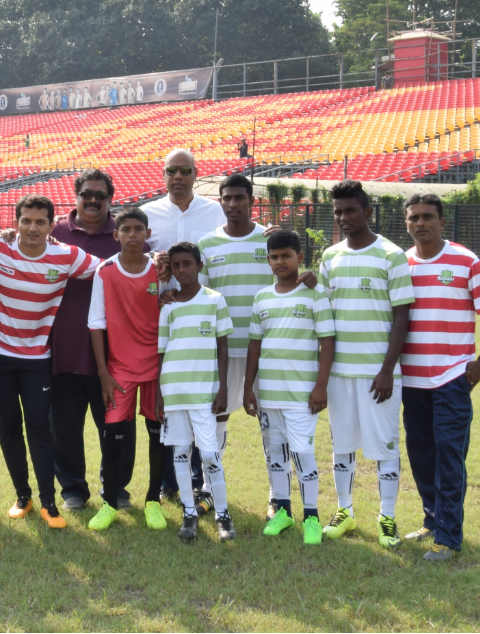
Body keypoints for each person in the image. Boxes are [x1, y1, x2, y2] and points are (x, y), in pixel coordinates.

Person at [0, 195, 99, 529]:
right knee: (8, 428)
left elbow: (110, 268)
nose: (32, 228)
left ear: (52, 225)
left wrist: (156, 261)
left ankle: (48, 502)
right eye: (26, 220)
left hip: (37, 358)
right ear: (16, 223)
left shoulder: (66, 256)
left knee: (40, 428)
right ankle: (22, 496)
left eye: (40, 222)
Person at [401, 193, 480, 561]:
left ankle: (449, 536)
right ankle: (431, 519)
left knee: (449, 455)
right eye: (414, 218)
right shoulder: (402, 264)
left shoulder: (464, 260)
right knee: (421, 453)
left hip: (451, 378)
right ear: (406, 224)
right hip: (411, 380)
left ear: (442, 222)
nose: (421, 223)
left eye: (428, 217)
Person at [317, 180, 413, 549]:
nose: (343, 218)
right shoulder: (331, 256)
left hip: (378, 375)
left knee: (384, 446)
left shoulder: (391, 255)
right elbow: (324, 315)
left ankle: (387, 516)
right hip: (341, 373)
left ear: (368, 212)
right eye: (338, 211)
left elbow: (401, 316)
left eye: (350, 210)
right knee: (342, 446)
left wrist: (388, 368)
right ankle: (345, 510)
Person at [141, 148, 226, 503]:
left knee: (200, 398)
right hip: (160, 317)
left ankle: (200, 479)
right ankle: (167, 481)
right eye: (172, 170)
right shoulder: (149, 212)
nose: (178, 176)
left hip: (201, 316)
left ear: (196, 174)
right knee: (166, 399)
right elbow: (135, 255)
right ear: (164, 175)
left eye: (185, 171)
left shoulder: (214, 211)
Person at [244, 229, 335, 545]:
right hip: (269, 393)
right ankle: (282, 511)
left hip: (302, 394)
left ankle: (312, 516)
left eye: (286, 255)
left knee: (302, 452)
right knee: (275, 455)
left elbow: (327, 342)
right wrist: (247, 388)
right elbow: (254, 346)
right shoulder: (262, 298)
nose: (280, 262)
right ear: (268, 261)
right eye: (274, 257)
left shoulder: (315, 294)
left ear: (299, 257)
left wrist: (320, 386)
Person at [196, 174, 275, 514]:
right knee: (217, 419)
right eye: (226, 198)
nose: (232, 204)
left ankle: (278, 498)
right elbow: (200, 296)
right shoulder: (207, 244)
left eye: (238, 198)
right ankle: (209, 489)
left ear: (251, 201)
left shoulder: (269, 240)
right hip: (223, 350)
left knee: (272, 423)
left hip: (267, 348)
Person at [49, 169, 127, 510]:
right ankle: (73, 490)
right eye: (87, 194)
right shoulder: (54, 233)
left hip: (113, 353)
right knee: (64, 428)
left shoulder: (123, 234)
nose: (93, 200)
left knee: (115, 426)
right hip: (62, 348)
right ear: (76, 196)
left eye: (100, 195)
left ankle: (116, 489)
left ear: (110, 199)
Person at [86, 207, 165, 531]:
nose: (132, 235)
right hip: (119, 369)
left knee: (158, 435)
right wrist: (103, 373)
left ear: (148, 234)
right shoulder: (105, 271)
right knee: (115, 437)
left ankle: (153, 500)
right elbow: (96, 323)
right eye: (126, 230)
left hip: (157, 368)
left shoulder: (161, 270)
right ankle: (109, 501)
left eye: (138, 229)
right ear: (116, 235)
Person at [158, 242, 234, 542]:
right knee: (180, 453)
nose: (181, 270)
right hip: (174, 392)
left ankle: (223, 514)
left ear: (199, 266)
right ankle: (189, 513)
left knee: (210, 454)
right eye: (176, 266)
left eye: (187, 264)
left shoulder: (214, 300)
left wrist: (223, 388)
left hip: (205, 393)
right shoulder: (169, 306)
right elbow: (162, 352)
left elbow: (222, 346)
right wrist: (160, 395)